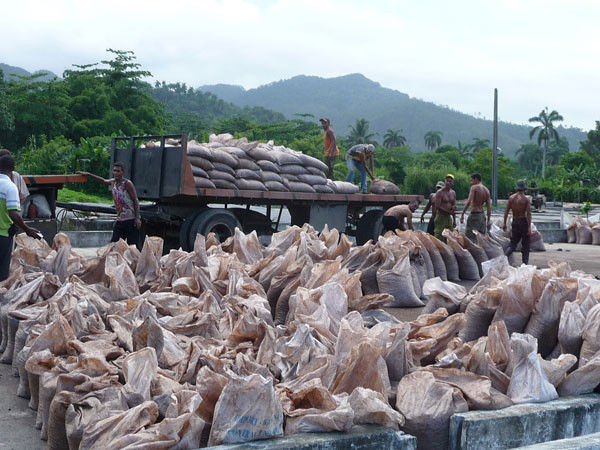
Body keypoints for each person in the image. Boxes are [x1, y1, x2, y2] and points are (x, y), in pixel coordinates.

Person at [78, 162, 141, 246]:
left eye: (118, 171)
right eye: (114, 171)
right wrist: (88, 174)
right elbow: (102, 180)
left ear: (123, 172)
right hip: (120, 220)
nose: (116, 173)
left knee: (132, 247)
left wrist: (137, 218)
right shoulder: (113, 182)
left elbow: (135, 200)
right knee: (114, 245)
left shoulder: (127, 183)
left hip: (130, 220)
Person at [0, 155, 40, 281]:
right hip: (3, 234)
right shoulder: (9, 187)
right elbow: (13, 214)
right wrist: (27, 229)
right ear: (13, 169)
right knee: (1, 273)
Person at [503, 179, 532, 265]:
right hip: (523, 222)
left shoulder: (511, 198)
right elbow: (529, 214)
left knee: (513, 244)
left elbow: (506, 211)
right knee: (525, 245)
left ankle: (504, 258)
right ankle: (525, 264)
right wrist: (529, 227)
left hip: (515, 221)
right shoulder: (526, 199)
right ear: (524, 188)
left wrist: (504, 223)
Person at [460, 172, 491, 242]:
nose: (471, 182)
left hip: (475, 215)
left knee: (470, 239)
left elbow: (469, 201)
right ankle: (479, 252)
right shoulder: (487, 190)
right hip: (482, 216)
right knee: (481, 239)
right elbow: (489, 207)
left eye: (472, 180)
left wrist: (462, 214)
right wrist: (488, 220)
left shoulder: (474, 188)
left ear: (476, 179)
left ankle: (471, 252)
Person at [434, 174, 457, 242]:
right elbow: (437, 206)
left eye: (450, 181)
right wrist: (448, 212)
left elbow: (454, 206)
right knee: (439, 235)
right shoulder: (440, 192)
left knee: (450, 234)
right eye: (447, 181)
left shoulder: (453, 193)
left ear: (452, 182)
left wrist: (454, 220)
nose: (448, 182)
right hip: (441, 216)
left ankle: (449, 249)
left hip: (448, 217)